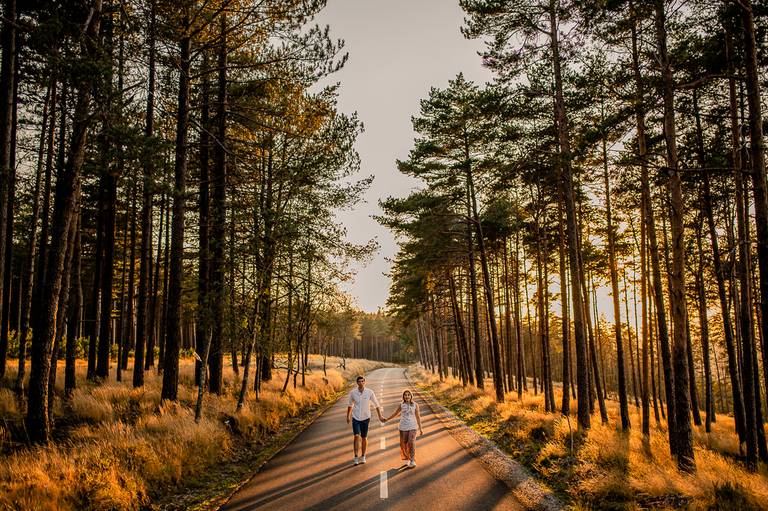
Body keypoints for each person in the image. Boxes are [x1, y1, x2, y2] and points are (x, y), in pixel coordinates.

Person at [346, 375, 385, 465]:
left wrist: (380, 416)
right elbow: (350, 404)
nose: (361, 383)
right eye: (359, 381)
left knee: (364, 437)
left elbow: (376, 404)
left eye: (362, 381)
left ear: (364, 382)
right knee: (356, 436)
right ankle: (356, 457)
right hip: (355, 418)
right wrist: (348, 416)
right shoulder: (353, 393)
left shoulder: (369, 392)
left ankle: (363, 456)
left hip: (366, 418)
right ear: (357, 383)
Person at [383, 389, 423, 468]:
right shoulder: (401, 405)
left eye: (408, 395)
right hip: (403, 427)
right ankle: (407, 458)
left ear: (411, 396)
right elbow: (395, 413)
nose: (407, 396)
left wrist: (421, 428)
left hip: (413, 426)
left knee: (411, 442)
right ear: (403, 397)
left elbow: (418, 417)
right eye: (405, 395)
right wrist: (387, 419)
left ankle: (412, 460)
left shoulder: (415, 405)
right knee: (404, 443)